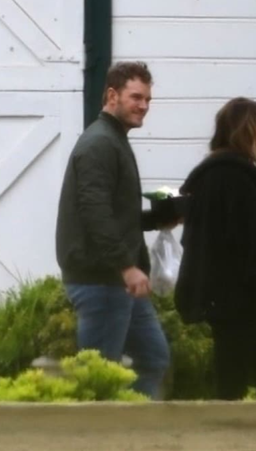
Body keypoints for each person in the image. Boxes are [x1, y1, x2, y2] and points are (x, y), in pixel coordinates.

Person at [55, 62, 170, 399]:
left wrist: (158, 220)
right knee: (98, 379)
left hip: (116, 281)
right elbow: (95, 213)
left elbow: (115, 215)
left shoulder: (113, 139)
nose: (144, 106)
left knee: (153, 358)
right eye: (136, 97)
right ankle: (96, 428)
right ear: (111, 95)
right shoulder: (100, 144)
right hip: (101, 281)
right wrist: (127, 266)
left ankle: (130, 423)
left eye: (148, 99)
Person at [174, 97, 256, 400]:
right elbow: (251, 241)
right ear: (248, 130)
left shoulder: (211, 175)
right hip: (235, 298)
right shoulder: (237, 178)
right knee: (252, 379)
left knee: (245, 375)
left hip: (223, 297)